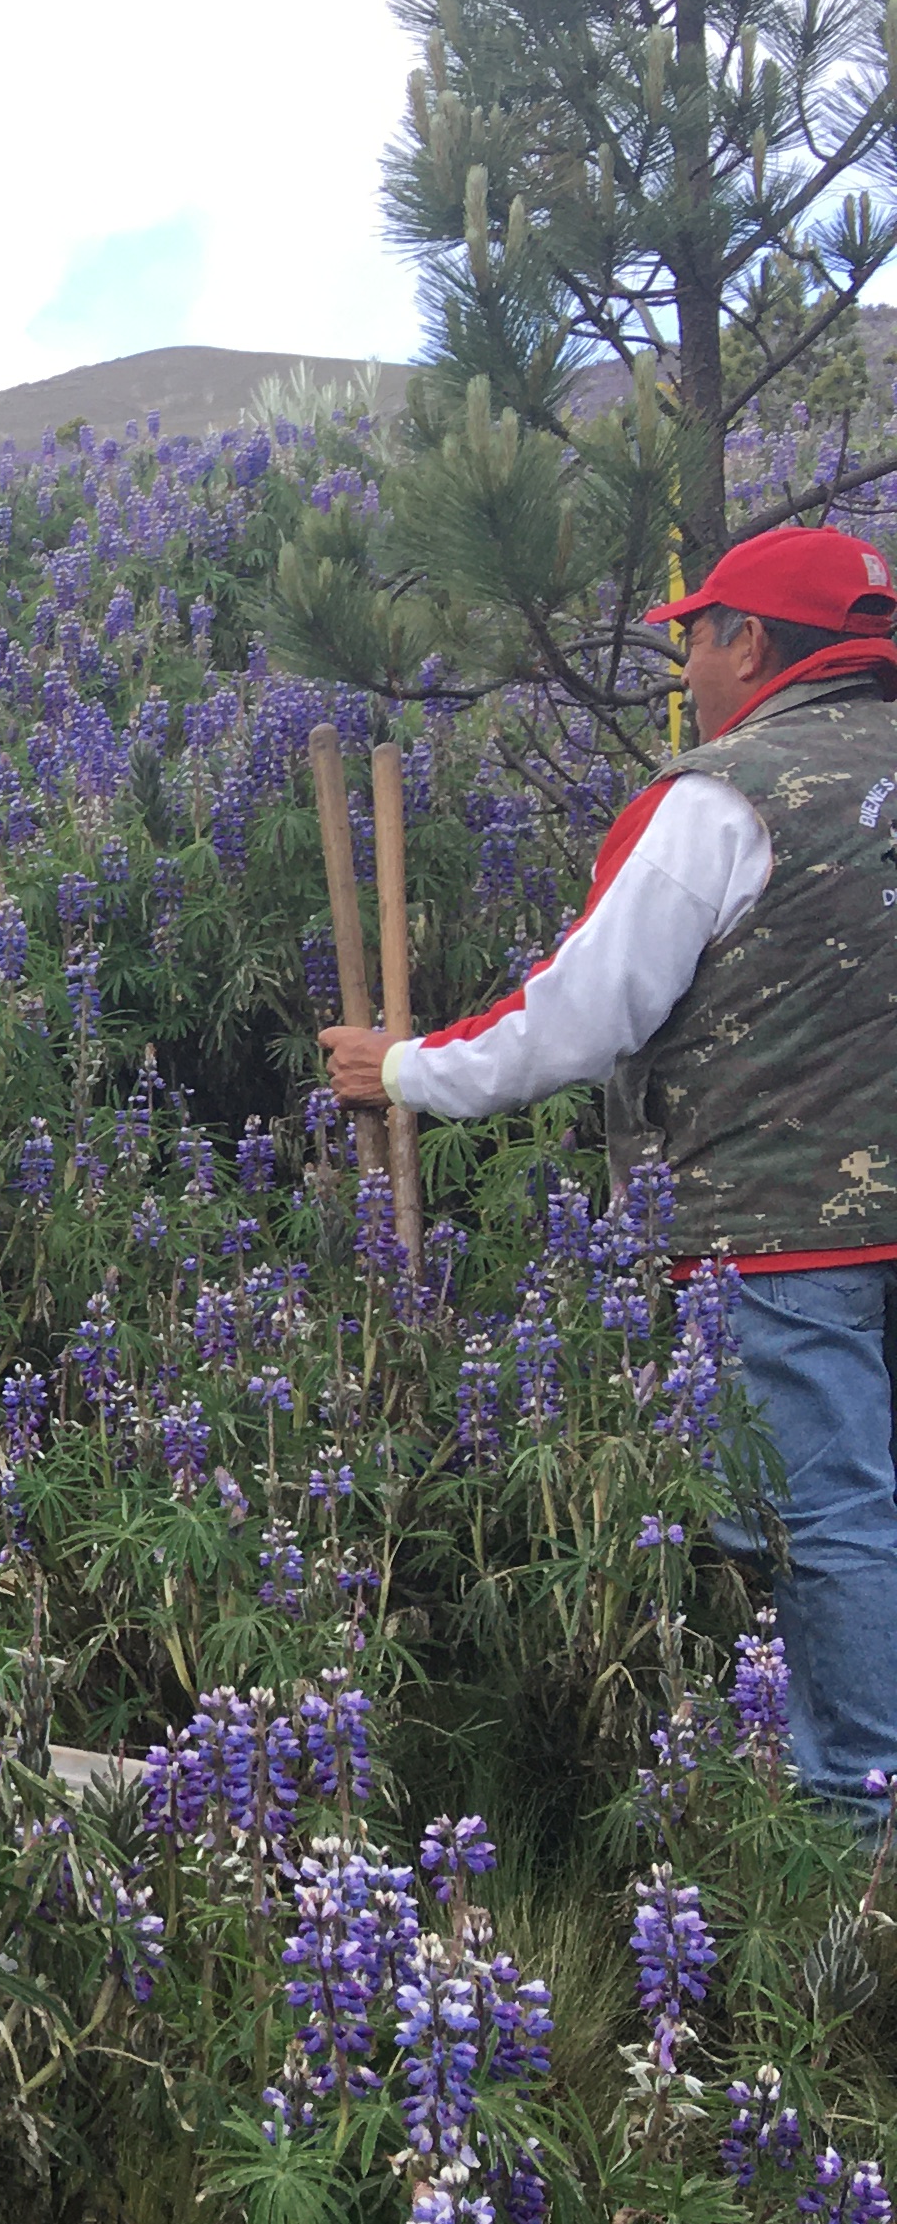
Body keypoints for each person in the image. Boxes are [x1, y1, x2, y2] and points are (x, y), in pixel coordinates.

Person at [322, 522, 897, 1815]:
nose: (687, 660)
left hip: (785, 1229)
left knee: (832, 1532)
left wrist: (405, 1069)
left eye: (697, 634)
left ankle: (863, 1836)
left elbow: (580, 1016)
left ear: (751, 642)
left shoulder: (723, 800)